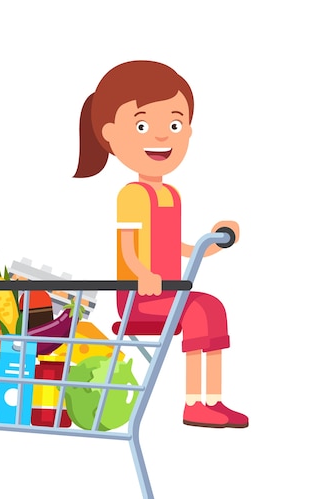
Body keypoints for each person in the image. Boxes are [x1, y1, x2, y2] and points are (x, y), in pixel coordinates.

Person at [74, 60, 248, 428]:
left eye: (174, 125)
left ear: (187, 131)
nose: (161, 138)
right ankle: (192, 404)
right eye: (141, 126)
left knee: (211, 308)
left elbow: (172, 246)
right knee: (200, 310)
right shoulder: (132, 195)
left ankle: (212, 399)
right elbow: (127, 248)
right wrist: (142, 275)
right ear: (111, 135)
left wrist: (208, 245)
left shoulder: (170, 194)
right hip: (142, 297)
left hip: (169, 291)